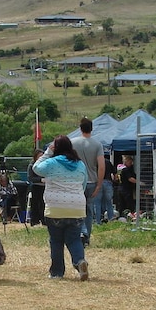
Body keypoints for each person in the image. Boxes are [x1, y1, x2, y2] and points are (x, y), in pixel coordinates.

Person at [32, 135, 89, 281]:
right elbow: (83, 184)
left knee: (56, 241)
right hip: (77, 207)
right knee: (74, 239)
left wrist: (47, 153)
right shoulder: (80, 164)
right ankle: (79, 261)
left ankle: (57, 272)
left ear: (55, 148)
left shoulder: (51, 162)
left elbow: (36, 168)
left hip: (55, 208)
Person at [70, 117, 104, 247]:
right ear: (92, 128)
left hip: (76, 181)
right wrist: (99, 184)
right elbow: (101, 166)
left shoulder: (72, 143)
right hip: (91, 181)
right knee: (89, 210)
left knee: (76, 210)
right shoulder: (97, 144)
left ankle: (80, 233)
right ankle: (87, 236)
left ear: (80, 128)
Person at [93, 152, 116, 223]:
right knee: (109, 203)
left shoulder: (95, 162)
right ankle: (111, 219)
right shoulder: (108, 162)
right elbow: (114, 173)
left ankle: (97, 221)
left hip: (98, 182)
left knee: (97, 203)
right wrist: (114, 180)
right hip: (108, 182)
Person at [26, 148, 46, 226]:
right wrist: (41, 180)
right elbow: (30, 178)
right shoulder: (32, 165)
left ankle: (44, 220)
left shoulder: (46, 165)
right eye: (39, 156)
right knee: (35, 204)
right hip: (36, 186)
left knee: (44, 204)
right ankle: (34, 220)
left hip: (45, 187)